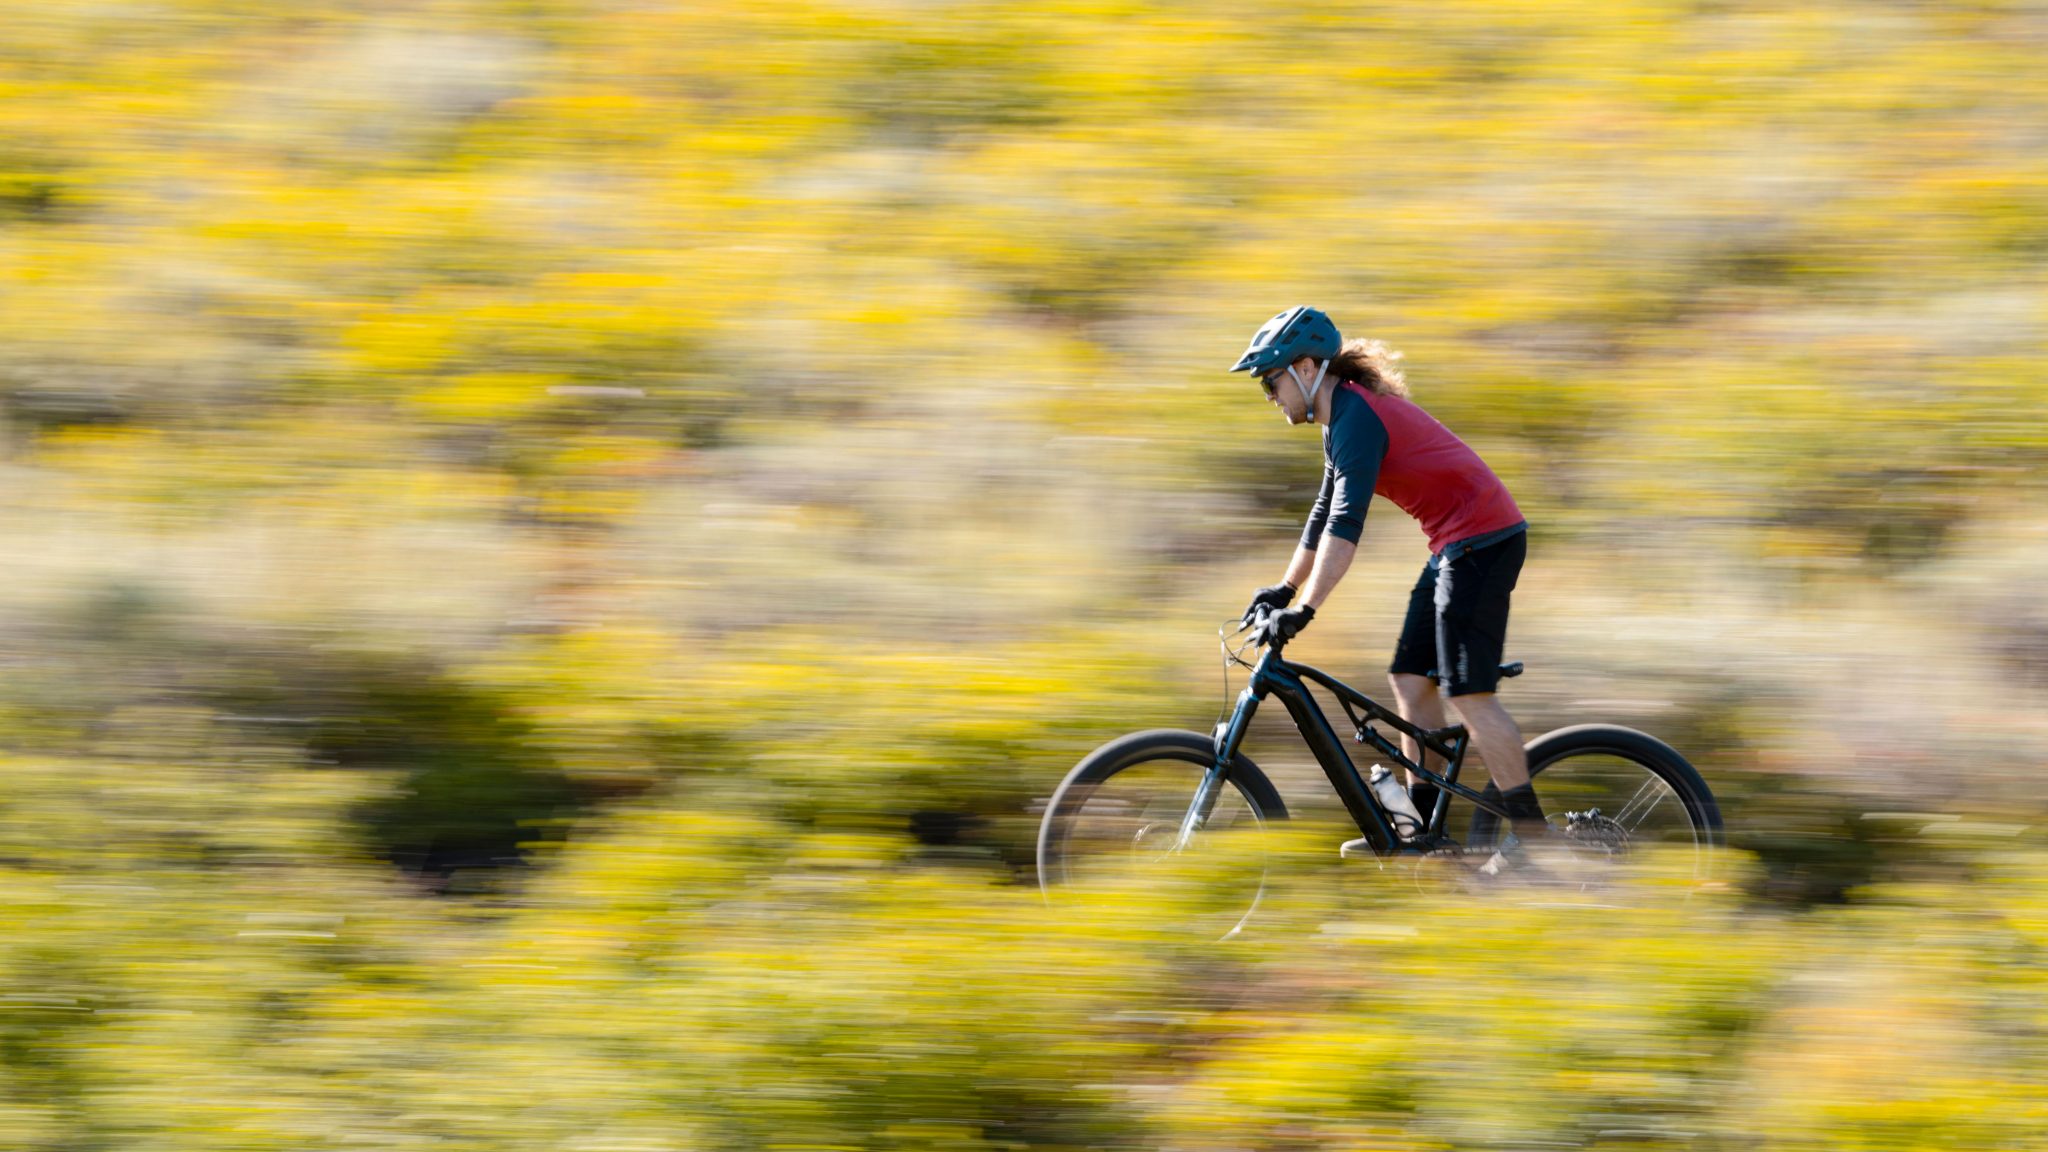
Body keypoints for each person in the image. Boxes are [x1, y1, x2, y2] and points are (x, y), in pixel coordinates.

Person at [1228, 305, 1545, 873]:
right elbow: (1323, 514)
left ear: (1304, 368)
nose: (1270, 397)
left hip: (1485, 543)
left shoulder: (1355, 417)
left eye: (1271, 382)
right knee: (1408, 679)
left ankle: (1533, 838)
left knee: (1469, 694)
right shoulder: (1339, 420)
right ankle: (1421, 827)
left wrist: (1306, 609)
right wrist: (1283, 588)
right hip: (1456, 544)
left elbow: (1346, 528)